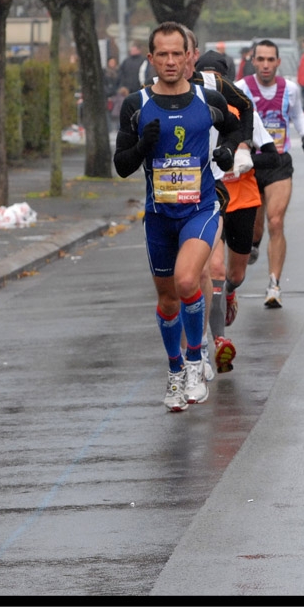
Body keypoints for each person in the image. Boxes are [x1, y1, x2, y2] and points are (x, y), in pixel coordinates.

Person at [112, 21, 241, 412]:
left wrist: (229, 150)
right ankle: (173, 371)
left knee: (188, 280)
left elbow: (238, 124)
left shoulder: (207, 99)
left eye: (177, 53)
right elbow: (120, 165)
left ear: (190, 56)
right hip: (158, 215)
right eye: (162, 54)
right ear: (151, 58)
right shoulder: (136, 105)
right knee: (168, 301)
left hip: (200, 209)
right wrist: (141, 147)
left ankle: (193, 359)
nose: (170, 61)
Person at [195, 49, 265, 374]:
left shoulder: (240, 103)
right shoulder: (193, 101)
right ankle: (219, 340)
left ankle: (230, 296)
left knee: (235, 275)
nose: (214, 79)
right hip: (211, 195)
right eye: (207, 73)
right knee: (215, 270)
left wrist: (247, 153)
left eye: (219, 73)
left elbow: (269, 150)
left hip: (244, 196)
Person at [236, 39, 304, 309]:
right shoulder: (242, 89)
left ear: (278, 62)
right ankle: (254, 242)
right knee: (256, 226)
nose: (266, 65)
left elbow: (297, 115)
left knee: (276, 221)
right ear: (253, 61)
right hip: (251, 164)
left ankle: (274, 285)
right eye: (261, 59)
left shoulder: (289, 89)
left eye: (271, 60)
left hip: (279, 162)